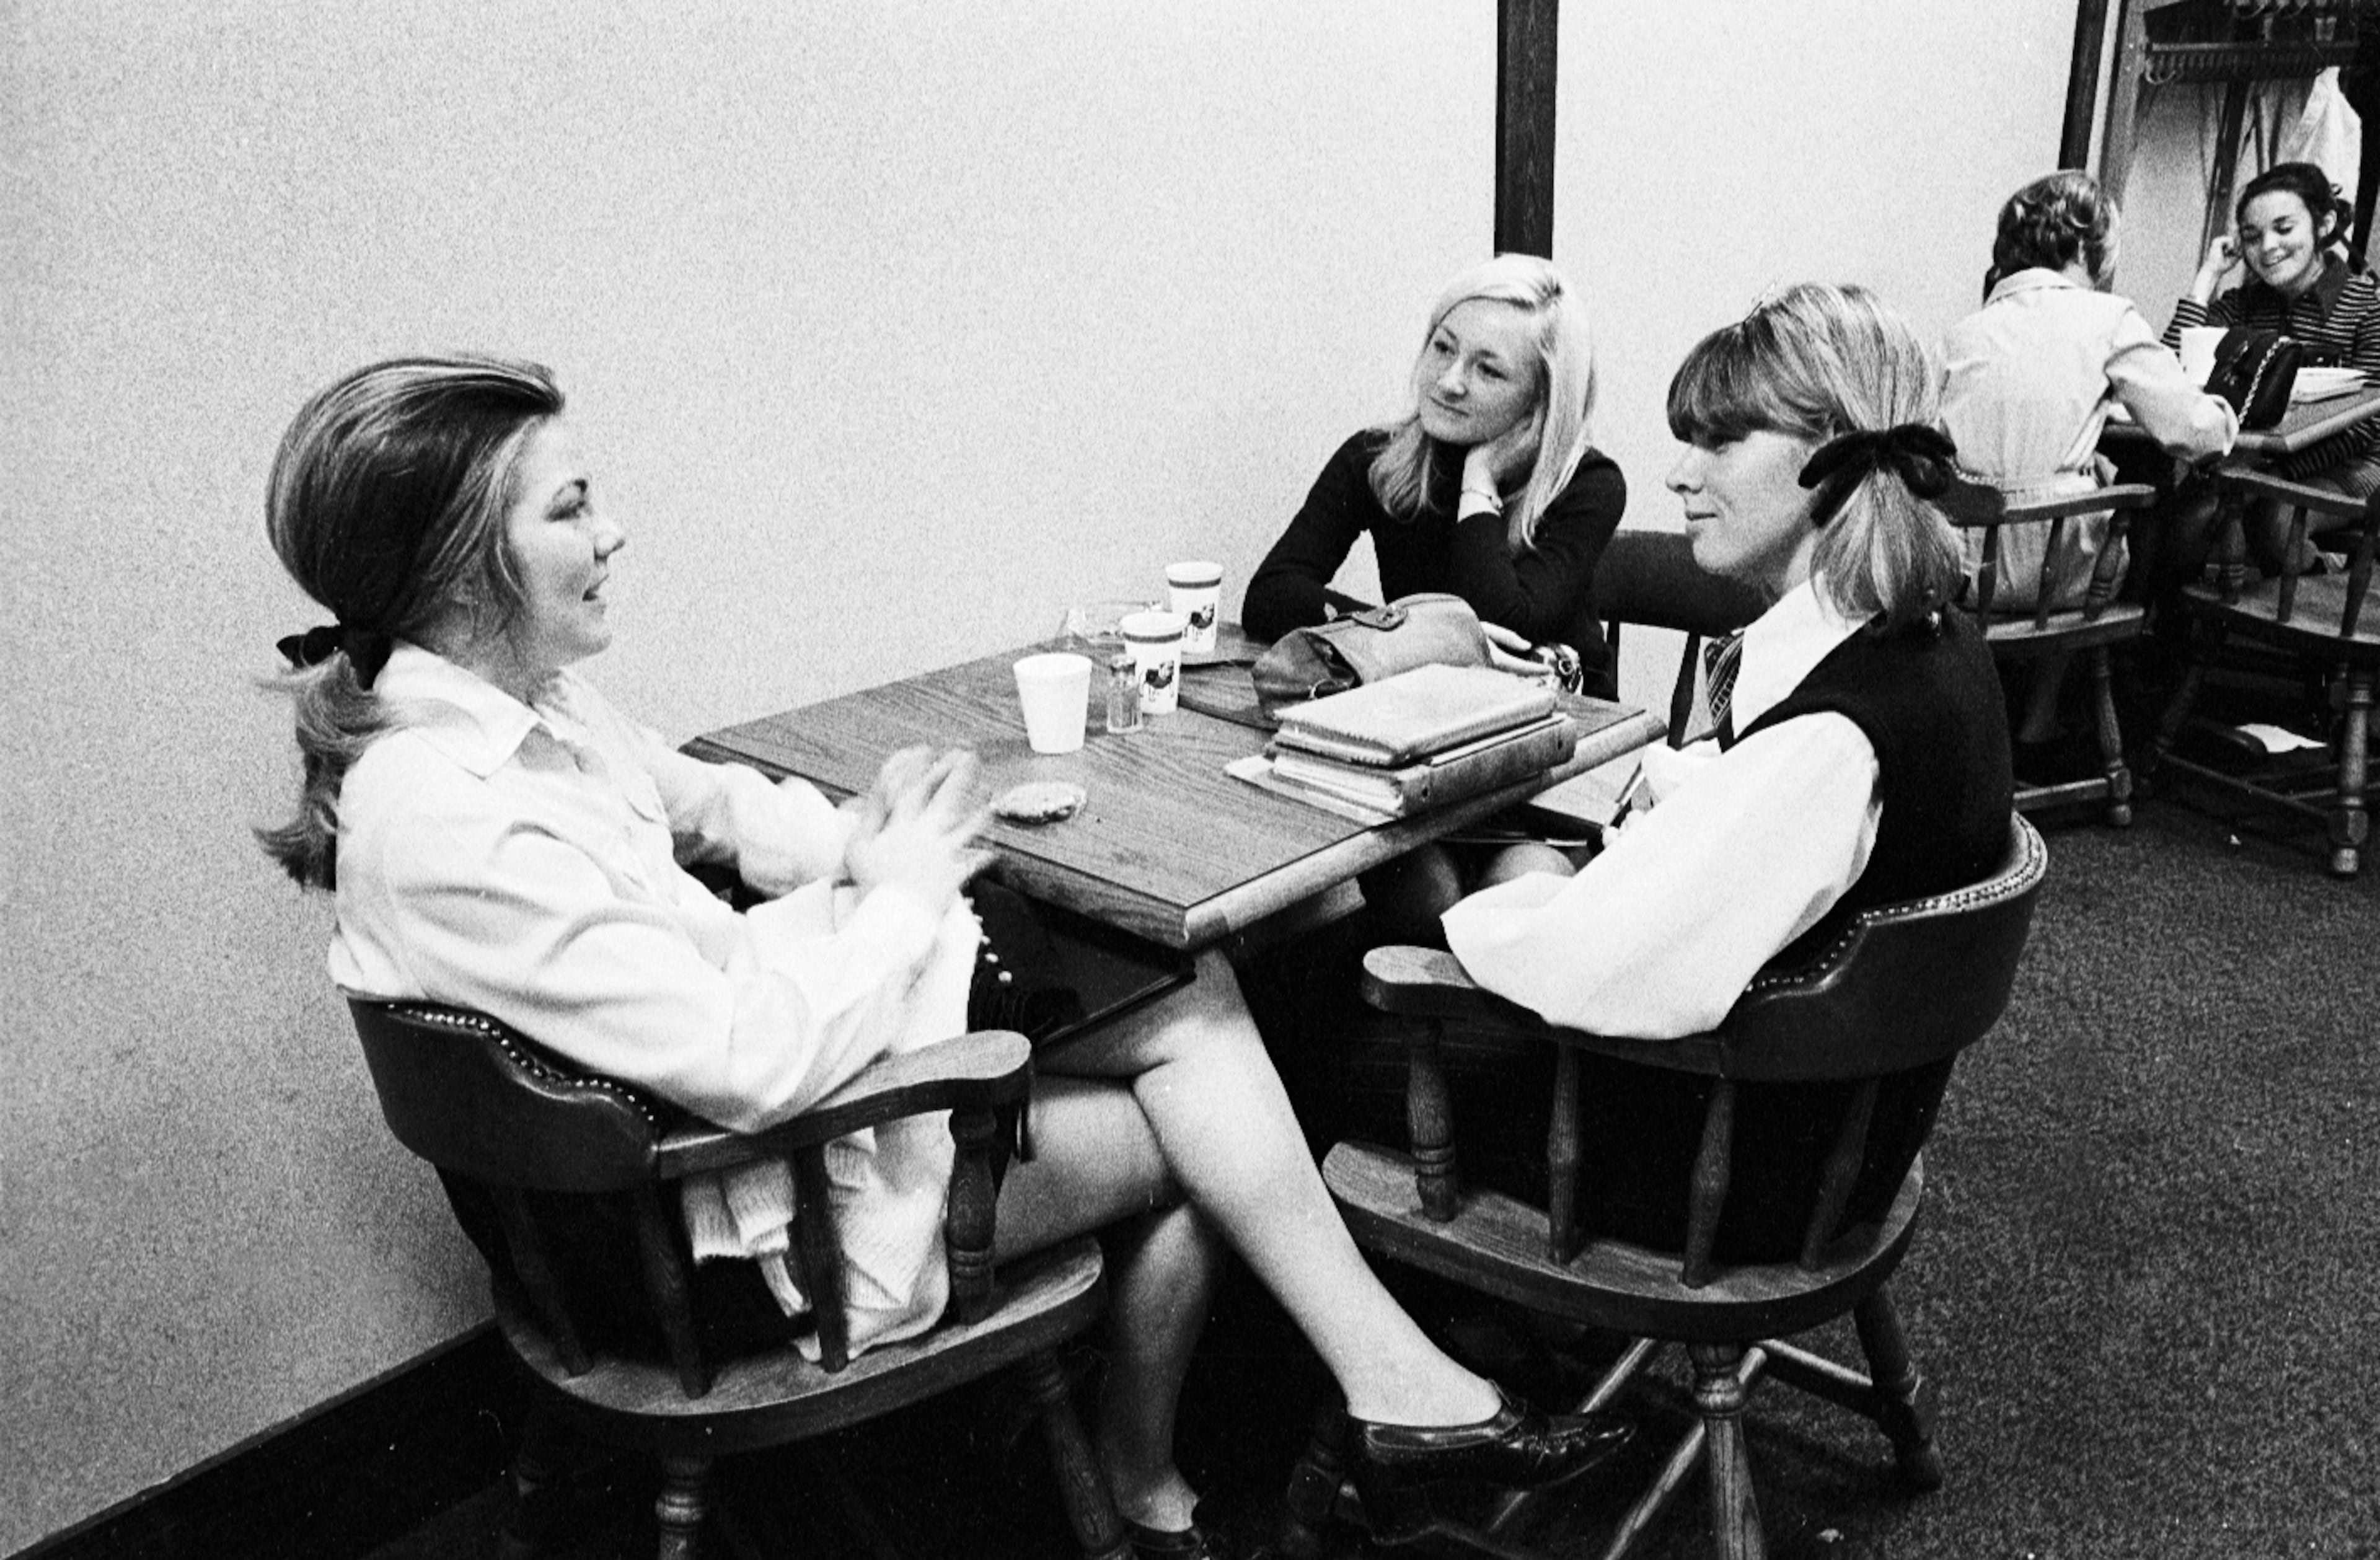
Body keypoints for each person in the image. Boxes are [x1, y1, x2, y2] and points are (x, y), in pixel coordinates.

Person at [257, 355, 1628, 1559]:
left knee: (1196, 1005)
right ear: (456, 565)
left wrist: (876, 834)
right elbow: (754, 1066)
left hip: (721, 1105)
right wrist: (907, 894)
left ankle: (1366, 1393)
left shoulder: (519, 706)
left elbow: (717, 802)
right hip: (698, 1220)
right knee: (1210, 1109)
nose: (612, 533)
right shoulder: (445, 815)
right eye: (567, 509)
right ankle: (1182, 1465)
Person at [1424, 284, 2014, 1258]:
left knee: (1305, 1002)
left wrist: (1461, 923)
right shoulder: (1926, 642)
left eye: (1721, 443)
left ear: (1831, 456)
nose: (1678, 474)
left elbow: (1599, 967)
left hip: (1722, 1159)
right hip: (1828, 1119)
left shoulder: (1833, 738)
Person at [1241, 252, 1627, 698]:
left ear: (1541, 400)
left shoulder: (1588, 483)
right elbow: (1270, 595)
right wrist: (1412, 638)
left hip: (1567, 728)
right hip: (1428, 713)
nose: (1449, 381)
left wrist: (1479, 482)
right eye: (1443, 347)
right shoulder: (1376, 457)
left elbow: (1509, 624)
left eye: (1488, 369)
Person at [1941, 170, 2236, 745]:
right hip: (2060, 574)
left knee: (2087, 483)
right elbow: (2189, 430)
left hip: (1968, 570)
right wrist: (2227, 414)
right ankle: (2070, 709)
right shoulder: (2108, 319)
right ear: (2086, 246)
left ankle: (2015, 711)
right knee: (2148, 501)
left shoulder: (1963, 334)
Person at [2164, 160, 2380, 574]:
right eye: (2252, 236)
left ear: (2323, 225)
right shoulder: (2242, 304)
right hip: (2253, 465)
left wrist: (2272, 470)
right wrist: (2207, 277)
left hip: (2353, 466)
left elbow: (2367, 426)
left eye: (2284, 229)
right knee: (2183, 516)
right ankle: (2179, 628)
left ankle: (2322, 577)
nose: (2267, 247)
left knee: (2273, 521)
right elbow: (2170, 366)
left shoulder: (2366, 307)